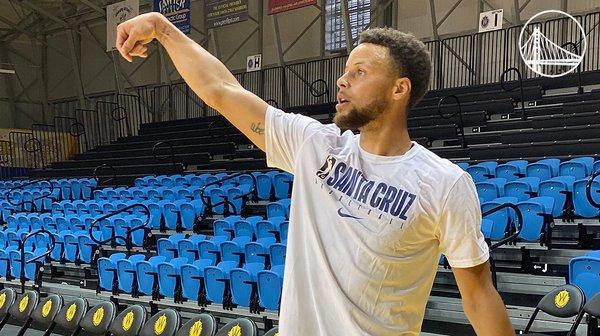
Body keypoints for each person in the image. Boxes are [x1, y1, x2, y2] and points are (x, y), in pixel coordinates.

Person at [116, 12, 515, 336]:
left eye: (359, 71)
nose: (342, 80)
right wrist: (163, 29)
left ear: (399, 89)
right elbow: (221, 90)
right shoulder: (314, 145)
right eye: (345, 70)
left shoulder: (444, 183)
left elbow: (478, 296)